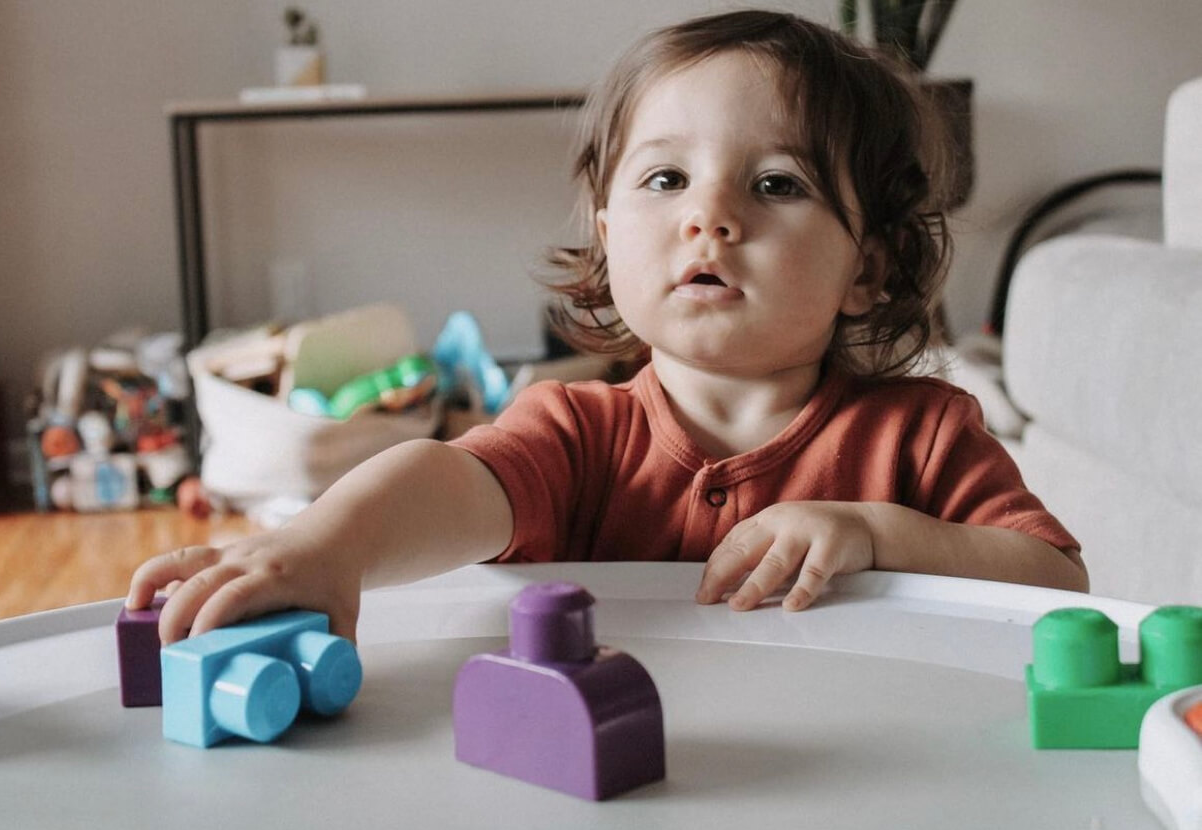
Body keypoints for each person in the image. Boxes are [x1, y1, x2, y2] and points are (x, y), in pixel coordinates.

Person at [127, 10, 1086, 644]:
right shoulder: (576, 431)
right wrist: (327, 546)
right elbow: (446, 480)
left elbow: (1057, 581)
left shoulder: (920, 432)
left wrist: (874, 531)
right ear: (606, 235)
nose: (709, 217)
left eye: (776, 185)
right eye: (665, 179)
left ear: (865, 269)